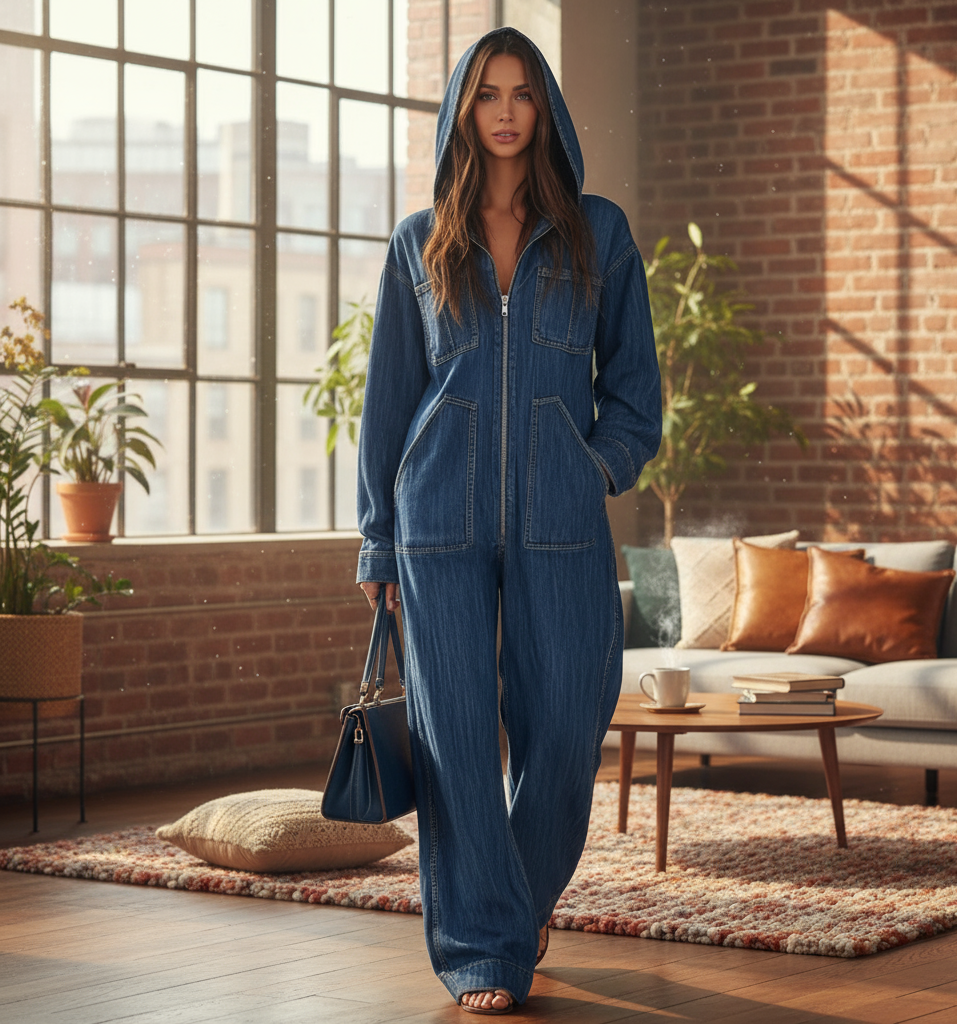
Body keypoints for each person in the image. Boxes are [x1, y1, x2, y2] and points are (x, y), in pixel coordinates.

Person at [356, 26, 661, 1015]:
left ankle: (517, 896)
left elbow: (635, 393)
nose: (504, 109)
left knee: (568, 720)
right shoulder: (418, 242)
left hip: (561, 515)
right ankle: (485, 949)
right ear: (460, 110)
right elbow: (388, 399)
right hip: (435, 514)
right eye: (486, 91)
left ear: (545, 110)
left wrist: (595, 464)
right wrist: (374, 534)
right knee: (450, 738)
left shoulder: (597, 233)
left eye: (522, 91)